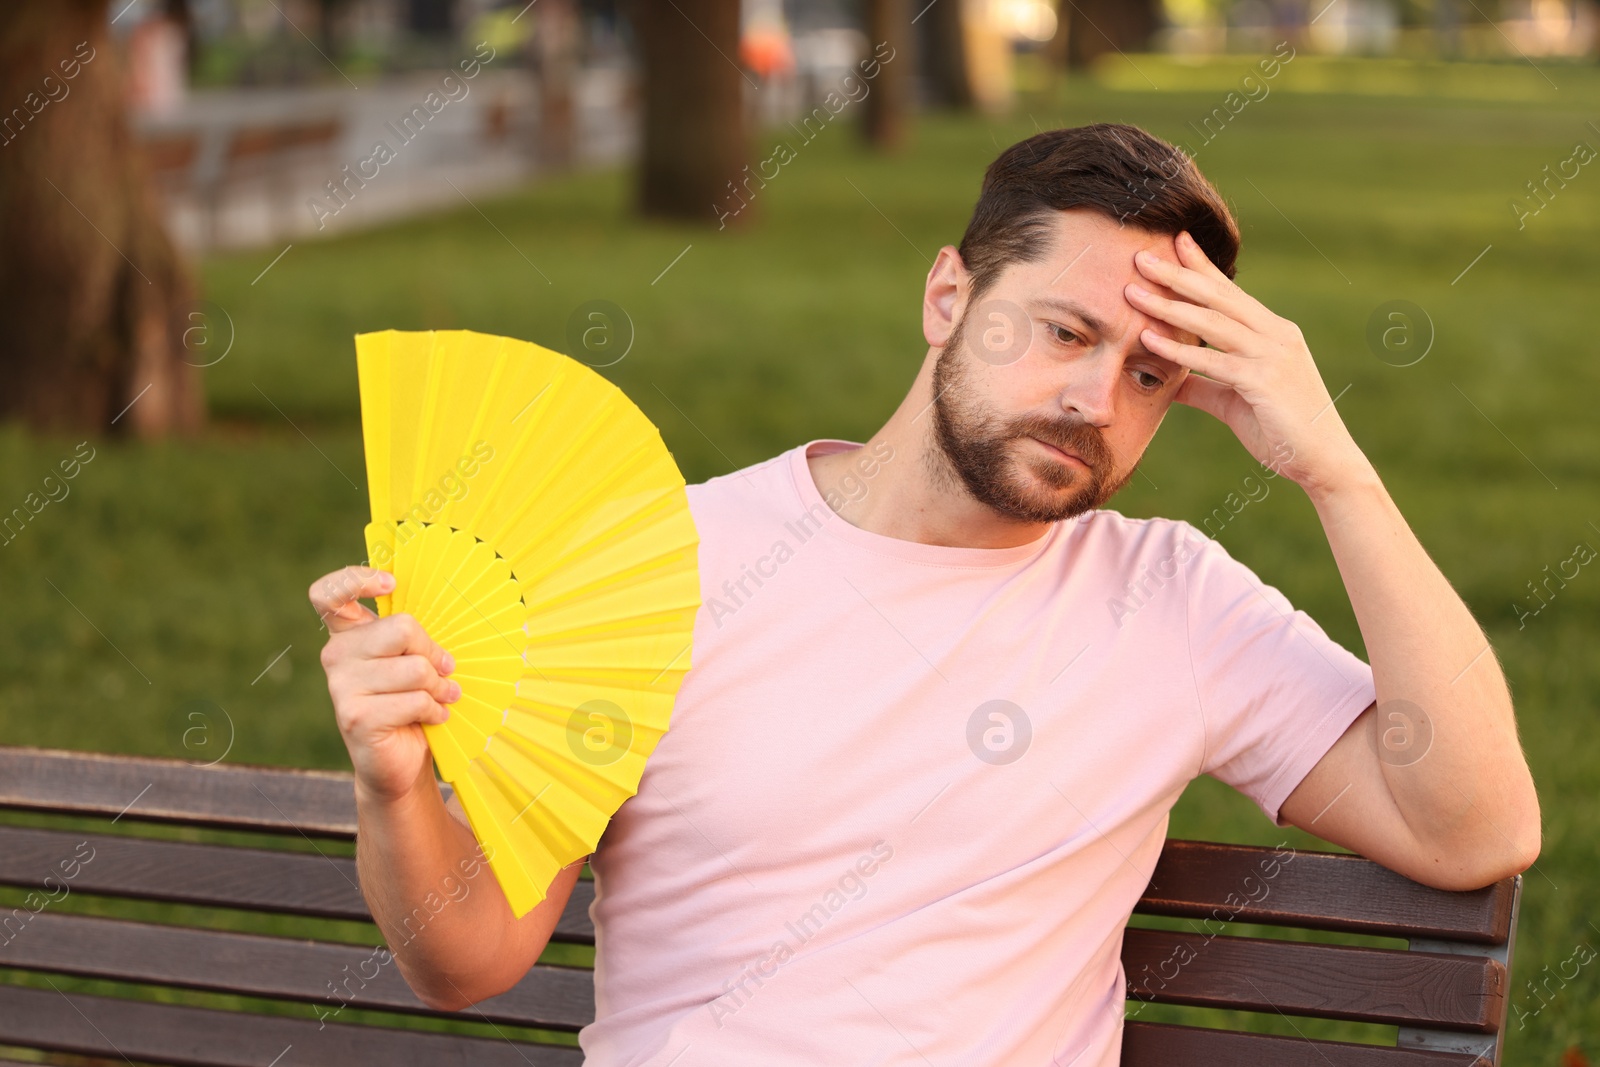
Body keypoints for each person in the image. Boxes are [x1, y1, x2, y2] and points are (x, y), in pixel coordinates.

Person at [309, 122, 1541, 1065]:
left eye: (1152, 373)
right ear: (948, 297)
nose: (1096, 401)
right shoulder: (655, 564)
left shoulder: (1170, 601)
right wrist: (397, 783)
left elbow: (1471, 827)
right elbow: (468, 956)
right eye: (1064, 332)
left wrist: (1335, 470)